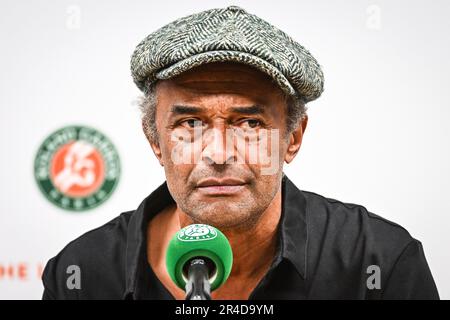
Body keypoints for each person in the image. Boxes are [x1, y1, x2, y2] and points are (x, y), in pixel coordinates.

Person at [42, 5, 439, 300]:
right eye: (190, 124)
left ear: (294, 138)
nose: (218, 153)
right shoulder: (81, 273)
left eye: (250, 124)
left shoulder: (380, 263)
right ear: (154, 140)